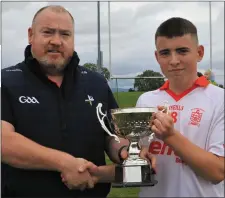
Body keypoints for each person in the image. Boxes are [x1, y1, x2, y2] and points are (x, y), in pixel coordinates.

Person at [1, 5, 154, 197]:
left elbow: (111, 135)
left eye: (65, 34)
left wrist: (125, 151)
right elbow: (4, 141)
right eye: (48, 32)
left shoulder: (95, 83)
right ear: (31, 35)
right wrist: (63, 163)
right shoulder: (6, 81)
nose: (56, 41)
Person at [136, 17, 224, 197]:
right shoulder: (145, 101)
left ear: (199, 53)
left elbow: (217, 172)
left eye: (182, 51)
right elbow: (139, 158)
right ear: (156, 56)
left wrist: (170, 135)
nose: (174, 60)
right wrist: (139, 155)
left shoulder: (219, 99)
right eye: (165, 53)